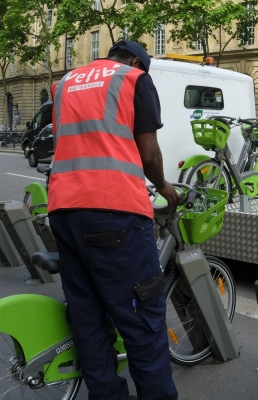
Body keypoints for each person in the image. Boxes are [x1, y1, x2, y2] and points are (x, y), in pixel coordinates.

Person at [48, 40, 179, 400]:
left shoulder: (65, 83)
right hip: (115, 213)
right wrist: (164, 187)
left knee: (88, 319)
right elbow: (149, 154)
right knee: (143, 320)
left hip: (63, 208)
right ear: (137, 61)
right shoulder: (134, 79)